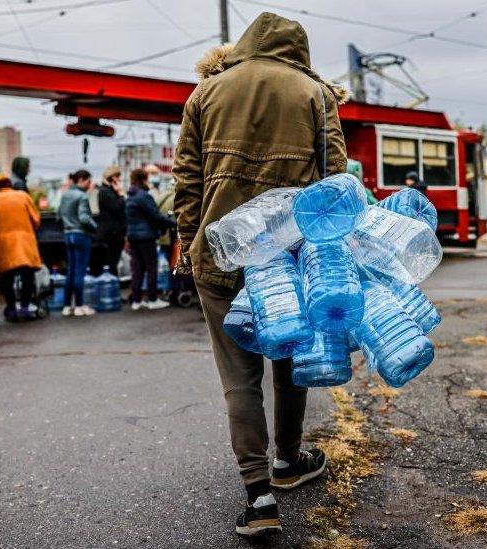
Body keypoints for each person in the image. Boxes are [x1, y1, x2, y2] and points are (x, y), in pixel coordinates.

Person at [173, 12, 348, 536]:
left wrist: (190, 237)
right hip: (290, 260)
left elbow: (186, 179)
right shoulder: (316, 96)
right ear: (299, 49)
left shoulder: (205, 94)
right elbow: (335, 182)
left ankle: (258, 495)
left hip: (220, 256)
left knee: (239, 377)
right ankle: (289, 460)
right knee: (289, 359)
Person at [0, 174, 42, 322]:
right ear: (9, 184)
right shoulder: (23, 196)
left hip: (3, 245)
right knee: (27, 276)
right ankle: (25, 307)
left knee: (6, 279)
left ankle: (11, 309)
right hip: (24, 242)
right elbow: (36, 220)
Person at [126, 168, 175, 311]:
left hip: (133, 236)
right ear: (143, 179)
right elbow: (155, 215)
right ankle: (152, 299)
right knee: (151, 267)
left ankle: (136, 300)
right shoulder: (143, 196)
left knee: (137, 269)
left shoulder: (130, 195)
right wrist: (172, 223)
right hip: (146, 237)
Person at [58, 169, 97, 317]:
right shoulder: (82, 197)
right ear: (81, 180)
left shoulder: (65, 195)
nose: (89, 184)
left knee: (71, 271)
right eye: (88, 181)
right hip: (81, 235)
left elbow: (59, 215)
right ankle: (80, 305)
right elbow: (84, 218)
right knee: (80, 271)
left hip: (68, 235)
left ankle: (67, 306)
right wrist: (95, 227)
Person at [96, 165, 127, 277]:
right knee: (111, 263)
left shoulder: (109, 191)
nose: (119, 180)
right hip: (112, 234)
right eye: (118, 177)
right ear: (112, 177)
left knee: (113, 262)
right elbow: (117, 207)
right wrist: (121, 194)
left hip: (115, 233)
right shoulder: (105, 191)